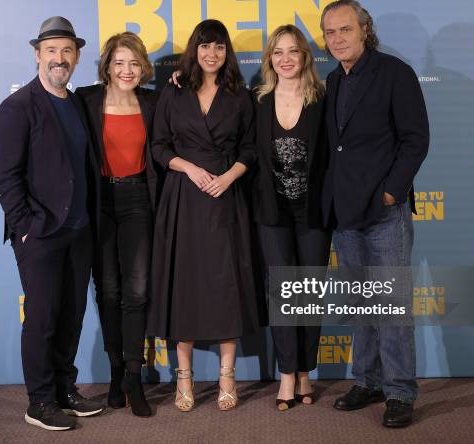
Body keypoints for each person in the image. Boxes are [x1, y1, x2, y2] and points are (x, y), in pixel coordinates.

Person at [320, 1, 429, 428]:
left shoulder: (394, 73)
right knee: (361, 304)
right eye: (330, 33)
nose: (338, 39)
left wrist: (390, 193)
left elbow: (415, 140)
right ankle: (368, 380)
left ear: (365, 29)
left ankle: (400, 391)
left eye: (345, 29)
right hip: (345, 214)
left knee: (392, 306)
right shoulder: (332, 80)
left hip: (384, 213)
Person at [0, 16, 104, 431]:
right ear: (38, 55)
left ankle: (64, 391)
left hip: (78, 231)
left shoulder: (75, 103)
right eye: (52, 50)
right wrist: (25, 225)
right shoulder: (17, 106)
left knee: (72, 314)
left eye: (67, 50)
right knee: (42, 318)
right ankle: (38, 402)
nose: (60, 58)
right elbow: (6, 176)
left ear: (76, 56)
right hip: (39, 234)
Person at [147, 19, 261, 412]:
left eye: (219, 47)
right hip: (184, 198)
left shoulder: (239, 96)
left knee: (225, 282)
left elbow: (250, 149)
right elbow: (158, 146)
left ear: (227, 53)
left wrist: (228, 177)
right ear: (194, 49)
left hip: (225, 198)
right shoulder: (174, 91)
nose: (211, 54)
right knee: (186, 284)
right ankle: (184, 377)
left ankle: (227, 375)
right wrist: (189, 168)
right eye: (205, 46)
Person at [75, 32, 159, 418]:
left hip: (138, 200)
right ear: (107, 65)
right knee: (107, 291)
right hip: (99, 204)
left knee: (137, 291)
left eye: (134, 63)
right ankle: (114, 374)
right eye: (119, 62)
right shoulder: (86, 100)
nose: (127, 70)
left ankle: (134, 377)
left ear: (143, 67)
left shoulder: (153, 101)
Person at [252, 24, 331, 411]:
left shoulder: (323, 99)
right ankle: (286, 374)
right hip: (272, 213)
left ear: (305, 58)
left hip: (314, 212)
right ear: (270, 59)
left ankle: (305, 372)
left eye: (293, 52)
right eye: (278, 52)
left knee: (309, 294)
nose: (285, 59)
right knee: (282, 293)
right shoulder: (258, 101)